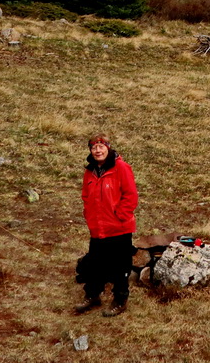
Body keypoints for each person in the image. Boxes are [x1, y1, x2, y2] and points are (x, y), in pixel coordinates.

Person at [74, 133, 138, 317]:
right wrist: (89, 216)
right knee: (95, 263)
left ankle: (120, 300)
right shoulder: (90, 172)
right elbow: (86, 196)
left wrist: (120, 216)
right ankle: (92, 295)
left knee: (120, 266)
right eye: (94, 147)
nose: (98, 150)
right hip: (98, 228)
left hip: (119, 228)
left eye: (101, 146)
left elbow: (130, 195)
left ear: (108, 148)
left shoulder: (121, 168)